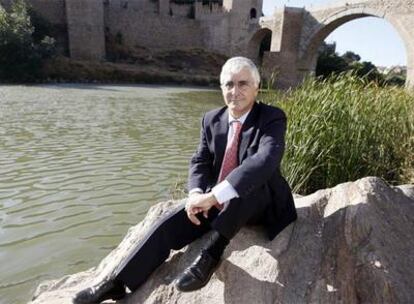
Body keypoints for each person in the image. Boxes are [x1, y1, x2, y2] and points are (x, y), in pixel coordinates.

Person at [73, 56, 297, 304]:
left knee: (248, 185)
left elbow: (265, 160)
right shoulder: (212, 119)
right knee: (168, 224)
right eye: (229, 84)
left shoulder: (271, 117)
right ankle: (117, 283)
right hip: (217, 200)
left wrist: (215, 195)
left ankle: (211, 254)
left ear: (257, 87)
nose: (235, 91)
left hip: (261, 203)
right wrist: (196, 194)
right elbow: (200, 161)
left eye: (243, 84)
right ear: (221, 88)